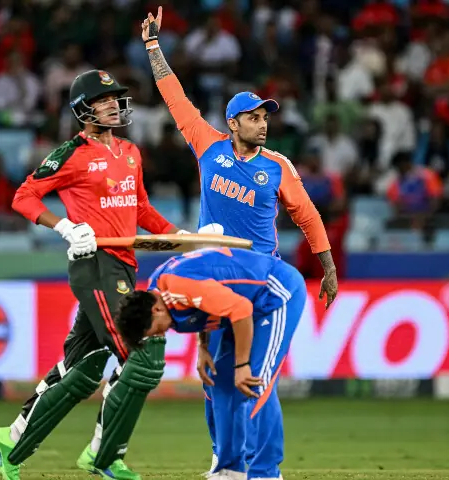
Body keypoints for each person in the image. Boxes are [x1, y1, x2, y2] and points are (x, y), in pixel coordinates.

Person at [141, 7, 339, 477]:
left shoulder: (278, 165)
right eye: (253, 118)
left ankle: (264, 468)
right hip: (213, 275)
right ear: (232, 123)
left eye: (265, 117)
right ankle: (225, 460)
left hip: (258, 280)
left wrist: (328, 267)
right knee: (215, 380)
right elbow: (174, 96)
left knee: (254, 379)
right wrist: (153, 47)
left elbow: (307, 215)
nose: (262, 124)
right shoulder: (208, 145)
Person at [0, 68, 187, 480]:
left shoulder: (130, 152)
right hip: (95, 265)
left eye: (116, 98)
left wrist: (176, 234)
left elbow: (140, 209)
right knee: (144, 354)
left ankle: (11, 441)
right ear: (83, 109)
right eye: (103, 99)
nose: (114, 104)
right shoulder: (71, 153)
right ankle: (103, 455)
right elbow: (24, 196)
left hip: (122, 267)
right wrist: (64, 227)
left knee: (83, 369)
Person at [115, 247, 319, 480]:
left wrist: (242, 365)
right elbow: (205, 305)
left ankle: (266, 473)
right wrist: (203, 346)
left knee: (255, 381)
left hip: (274, 293)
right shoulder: (160, 292)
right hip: (242, 305)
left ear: (156, 309)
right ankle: (231, 469)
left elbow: (241, 309)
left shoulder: (179, 286)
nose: (160, 335)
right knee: (219, 380)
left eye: (156, 330)